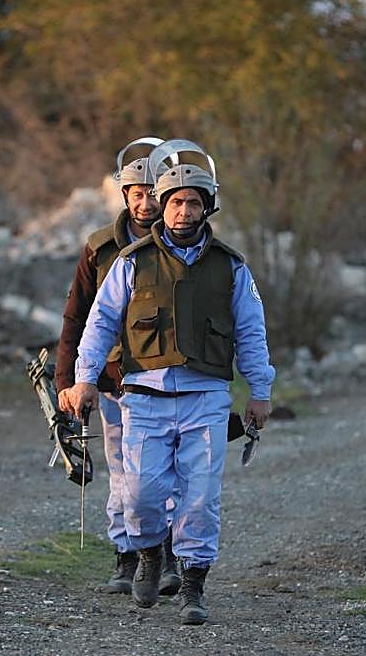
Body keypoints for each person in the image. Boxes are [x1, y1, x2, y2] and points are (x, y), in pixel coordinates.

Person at [63, 139, 274, 625]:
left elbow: (251, 330)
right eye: (176, 202)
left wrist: (260, 391)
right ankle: (149, 554)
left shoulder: (230, 266)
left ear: (207, 207)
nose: (183, 211)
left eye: (193, 202)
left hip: (206, 396)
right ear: (162, 203)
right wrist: (84, 378)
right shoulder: (131, 261)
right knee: (139, 494)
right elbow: (99, 322)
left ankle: (194, 585)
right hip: (144, 396)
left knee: (200, 496)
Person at [55, 136, 185, 597]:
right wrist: (68, 380)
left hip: (167, 379)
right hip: (113, 380)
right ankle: (127, 555)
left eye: (154, 193)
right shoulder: (100, 248)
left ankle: (168, 554)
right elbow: (77, 317)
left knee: (168, 470)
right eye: (137, 193)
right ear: (124, 194)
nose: (146, 204)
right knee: (123, 470)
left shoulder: (181, 244)